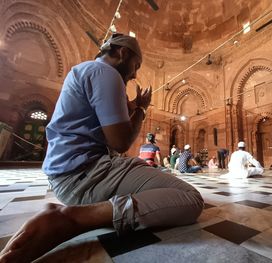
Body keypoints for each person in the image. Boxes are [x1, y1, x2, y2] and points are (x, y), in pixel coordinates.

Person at [0, 33, 204, 263]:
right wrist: (143, 111)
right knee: (190, 198)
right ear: (122, 53)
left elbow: (114, 115)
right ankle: (73, 219)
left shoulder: (84, 70)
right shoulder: (108, 75)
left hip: (65, 179)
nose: (136, 73)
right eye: (136, 65)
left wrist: (137, 105)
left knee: (152, 186)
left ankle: (82, 211)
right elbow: (121, 142)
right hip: (86, 177)